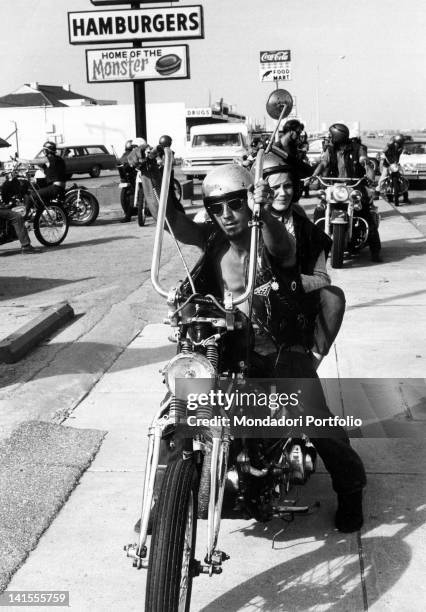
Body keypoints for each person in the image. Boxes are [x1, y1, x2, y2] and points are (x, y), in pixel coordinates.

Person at [140, 161, 366, 533]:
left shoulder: (269, 237)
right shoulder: (213, 239)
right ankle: (161, 503)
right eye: (217, 208)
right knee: (175, 413)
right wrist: (153, 180)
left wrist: (266, 215)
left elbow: (285, 249)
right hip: (226, 346)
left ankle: (351, 487)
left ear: (250, 203)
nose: (227, 216)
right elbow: (176, 225)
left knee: (314, 417)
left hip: (276, 346)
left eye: (235, 205)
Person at [257, 151, 345, 368]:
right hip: (255, 302)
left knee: (334, 297)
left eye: (287, 186)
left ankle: (311, 364)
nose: (282, 193)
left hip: (294, 303)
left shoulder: (304, 227)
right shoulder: (246, 221)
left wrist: (291, 282)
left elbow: (322, 278)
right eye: (274, 188)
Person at [311, 123, 383, 263]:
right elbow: (323, 163)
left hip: (354, 187)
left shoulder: (357, 148)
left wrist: (369, 172)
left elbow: (364, 161)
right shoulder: (330, 150)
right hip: (334, 187)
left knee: (366, 214)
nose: (330, 138)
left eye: (332, 136)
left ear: (338, 136)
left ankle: (376, 251)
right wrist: (314, 175)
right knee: (319, 211)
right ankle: (316, 247)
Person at [30, 141, 67, 208]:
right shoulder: (59, 159)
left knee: (32, 195)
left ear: (47, 150)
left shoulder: (48, 159)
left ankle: (26, 215)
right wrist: (40, 168)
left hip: (55, 188)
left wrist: (16, 159)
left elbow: (30, 161)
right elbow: (51, 172)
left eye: (44, 150)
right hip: (60, 187)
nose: (43, 151)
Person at [376, 134, 410, 205]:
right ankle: (377, 192)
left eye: (400, 143)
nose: (398, 144)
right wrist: (381, 155)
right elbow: (384, 151)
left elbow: (404, 151)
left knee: (403, 178)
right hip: (387, 165)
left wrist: (406, 152)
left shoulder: (401, 147)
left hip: (396, 164)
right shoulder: (389, 146)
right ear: (395, 141)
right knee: (383, 177)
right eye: (398, 143)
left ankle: (405, 197)